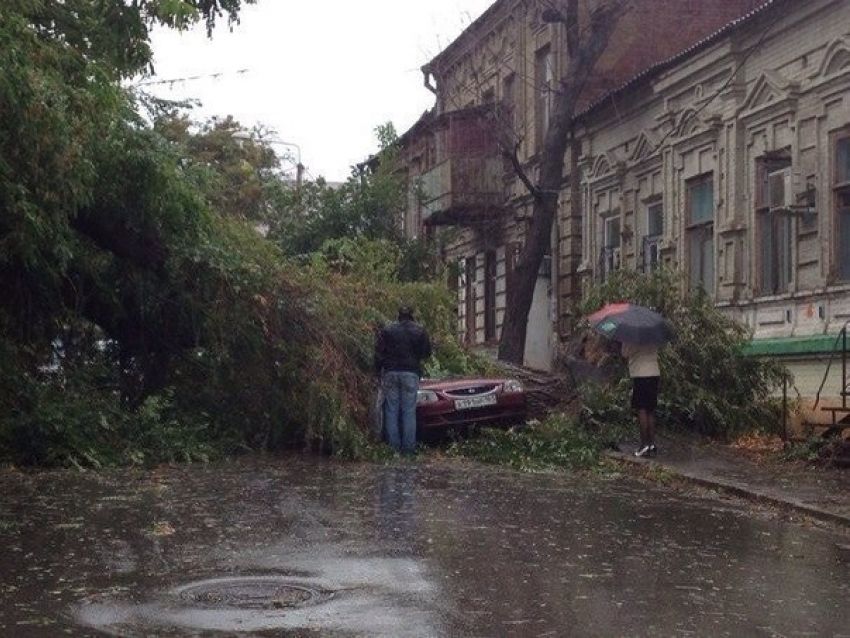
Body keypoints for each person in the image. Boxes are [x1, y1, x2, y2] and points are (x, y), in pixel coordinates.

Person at [374, 306, 432, 455]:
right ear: (411, 315)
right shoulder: (420, 330)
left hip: (391, 372)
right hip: (410, 373)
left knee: (391, 410)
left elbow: (379, 353)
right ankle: (408, 451)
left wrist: (377, 372)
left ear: (398, 315)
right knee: (408, 411)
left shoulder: (387, 330)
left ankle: (393, 450)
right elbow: (426, 353)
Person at [620, 340, 660, 458]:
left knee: (641, 408)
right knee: (650, 409)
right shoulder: (653, 335)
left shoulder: (632, 337)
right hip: (654, 373)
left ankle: (644, 445)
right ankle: (651, 443)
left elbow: (624, 353)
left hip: (640, 374)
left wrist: (624, 341)